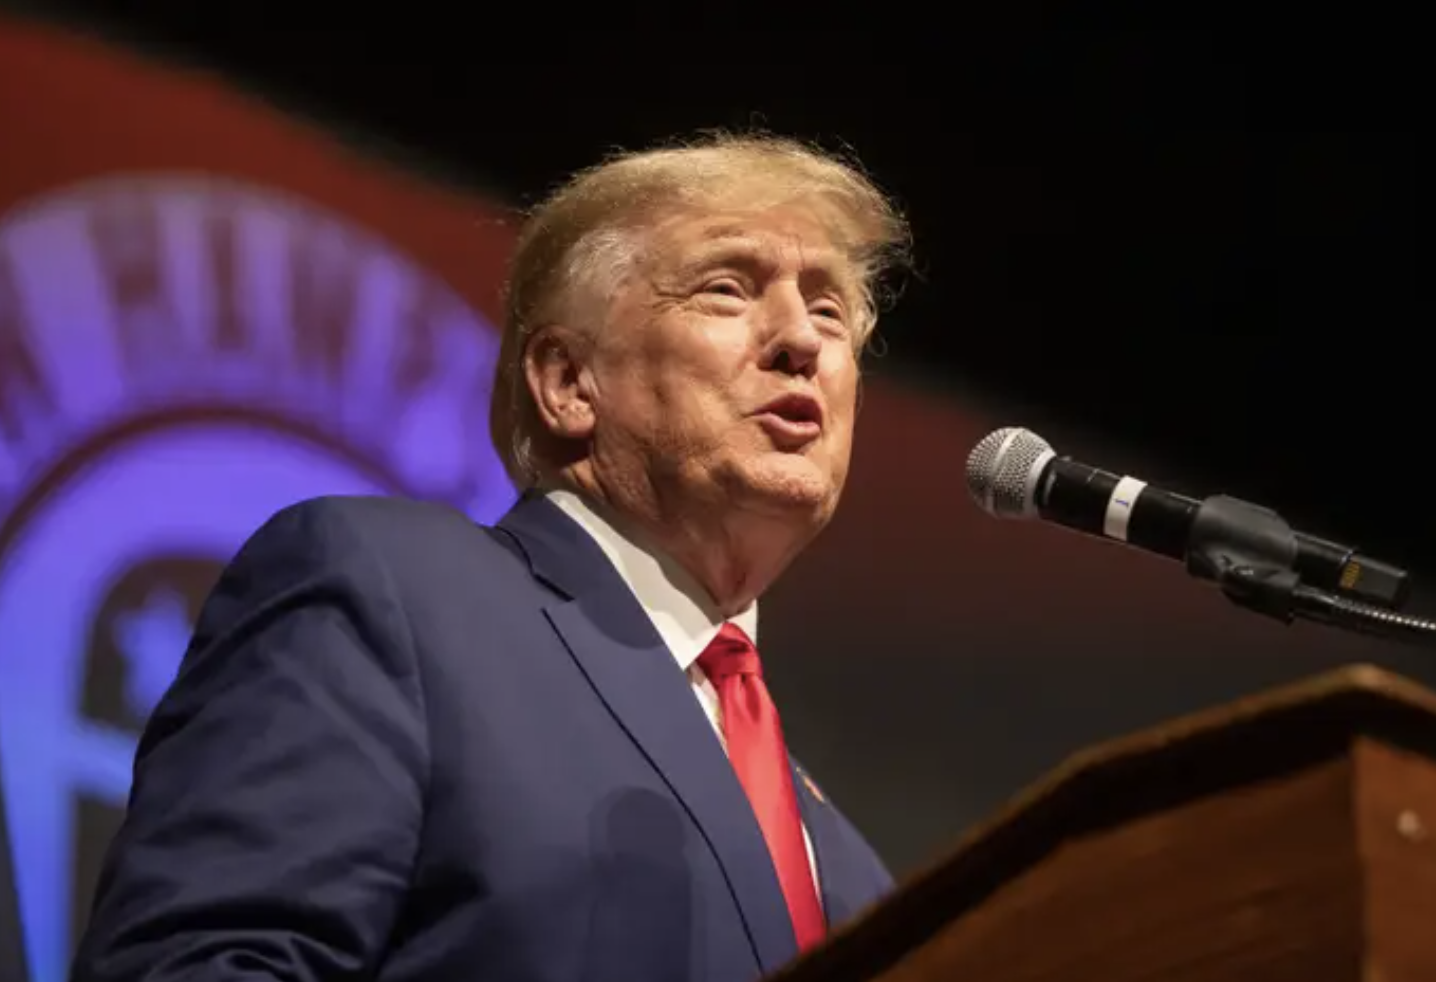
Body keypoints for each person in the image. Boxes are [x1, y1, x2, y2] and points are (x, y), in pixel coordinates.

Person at [72, 132, 912, 982]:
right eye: (728, 289)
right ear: (568, 383)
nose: (801, 340)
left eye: (830, 311)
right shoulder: (390, 594)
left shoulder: (851, 873)